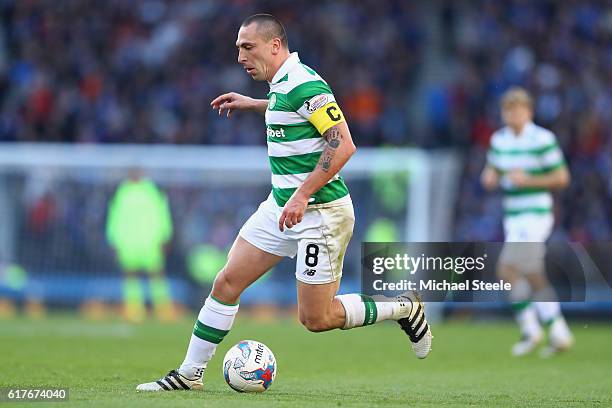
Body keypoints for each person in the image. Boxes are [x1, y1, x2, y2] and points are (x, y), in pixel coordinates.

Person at [137, 14, 432, 392]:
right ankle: (189, 374)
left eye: (248, 47)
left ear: (274, 45)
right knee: (227, 281)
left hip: (320, 214)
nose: (241, 56)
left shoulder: (304, 83)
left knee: (317, 318)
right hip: (281, 207)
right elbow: (291, 109)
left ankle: (403, 308)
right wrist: (255, 104)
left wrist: (304, 193)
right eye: (238, 49)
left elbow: (343, 143)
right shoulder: (281, 86)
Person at [481, 87, 573, 357]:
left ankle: (545, 329)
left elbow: (562, 177)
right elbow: (493, 170)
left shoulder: (542, 139)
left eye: (518, 109)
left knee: (514, 266)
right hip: (513, 215)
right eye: (508, 110)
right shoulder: (499, 140)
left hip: (537, 212)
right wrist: (489, 177)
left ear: (528, 112)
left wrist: (529, 180)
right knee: (514, 273)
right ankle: (546, 331)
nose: (513, 114)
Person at [106, 168, 175, 322]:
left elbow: (161, 213)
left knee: (156, 273)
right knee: (131, 274)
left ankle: (162, 309)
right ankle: (134, 309)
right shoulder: (122, 193)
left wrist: (165, 235)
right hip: (130, 241)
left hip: (149, 239)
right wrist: (113, 239)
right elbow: (115, 216)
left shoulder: (151, 191)